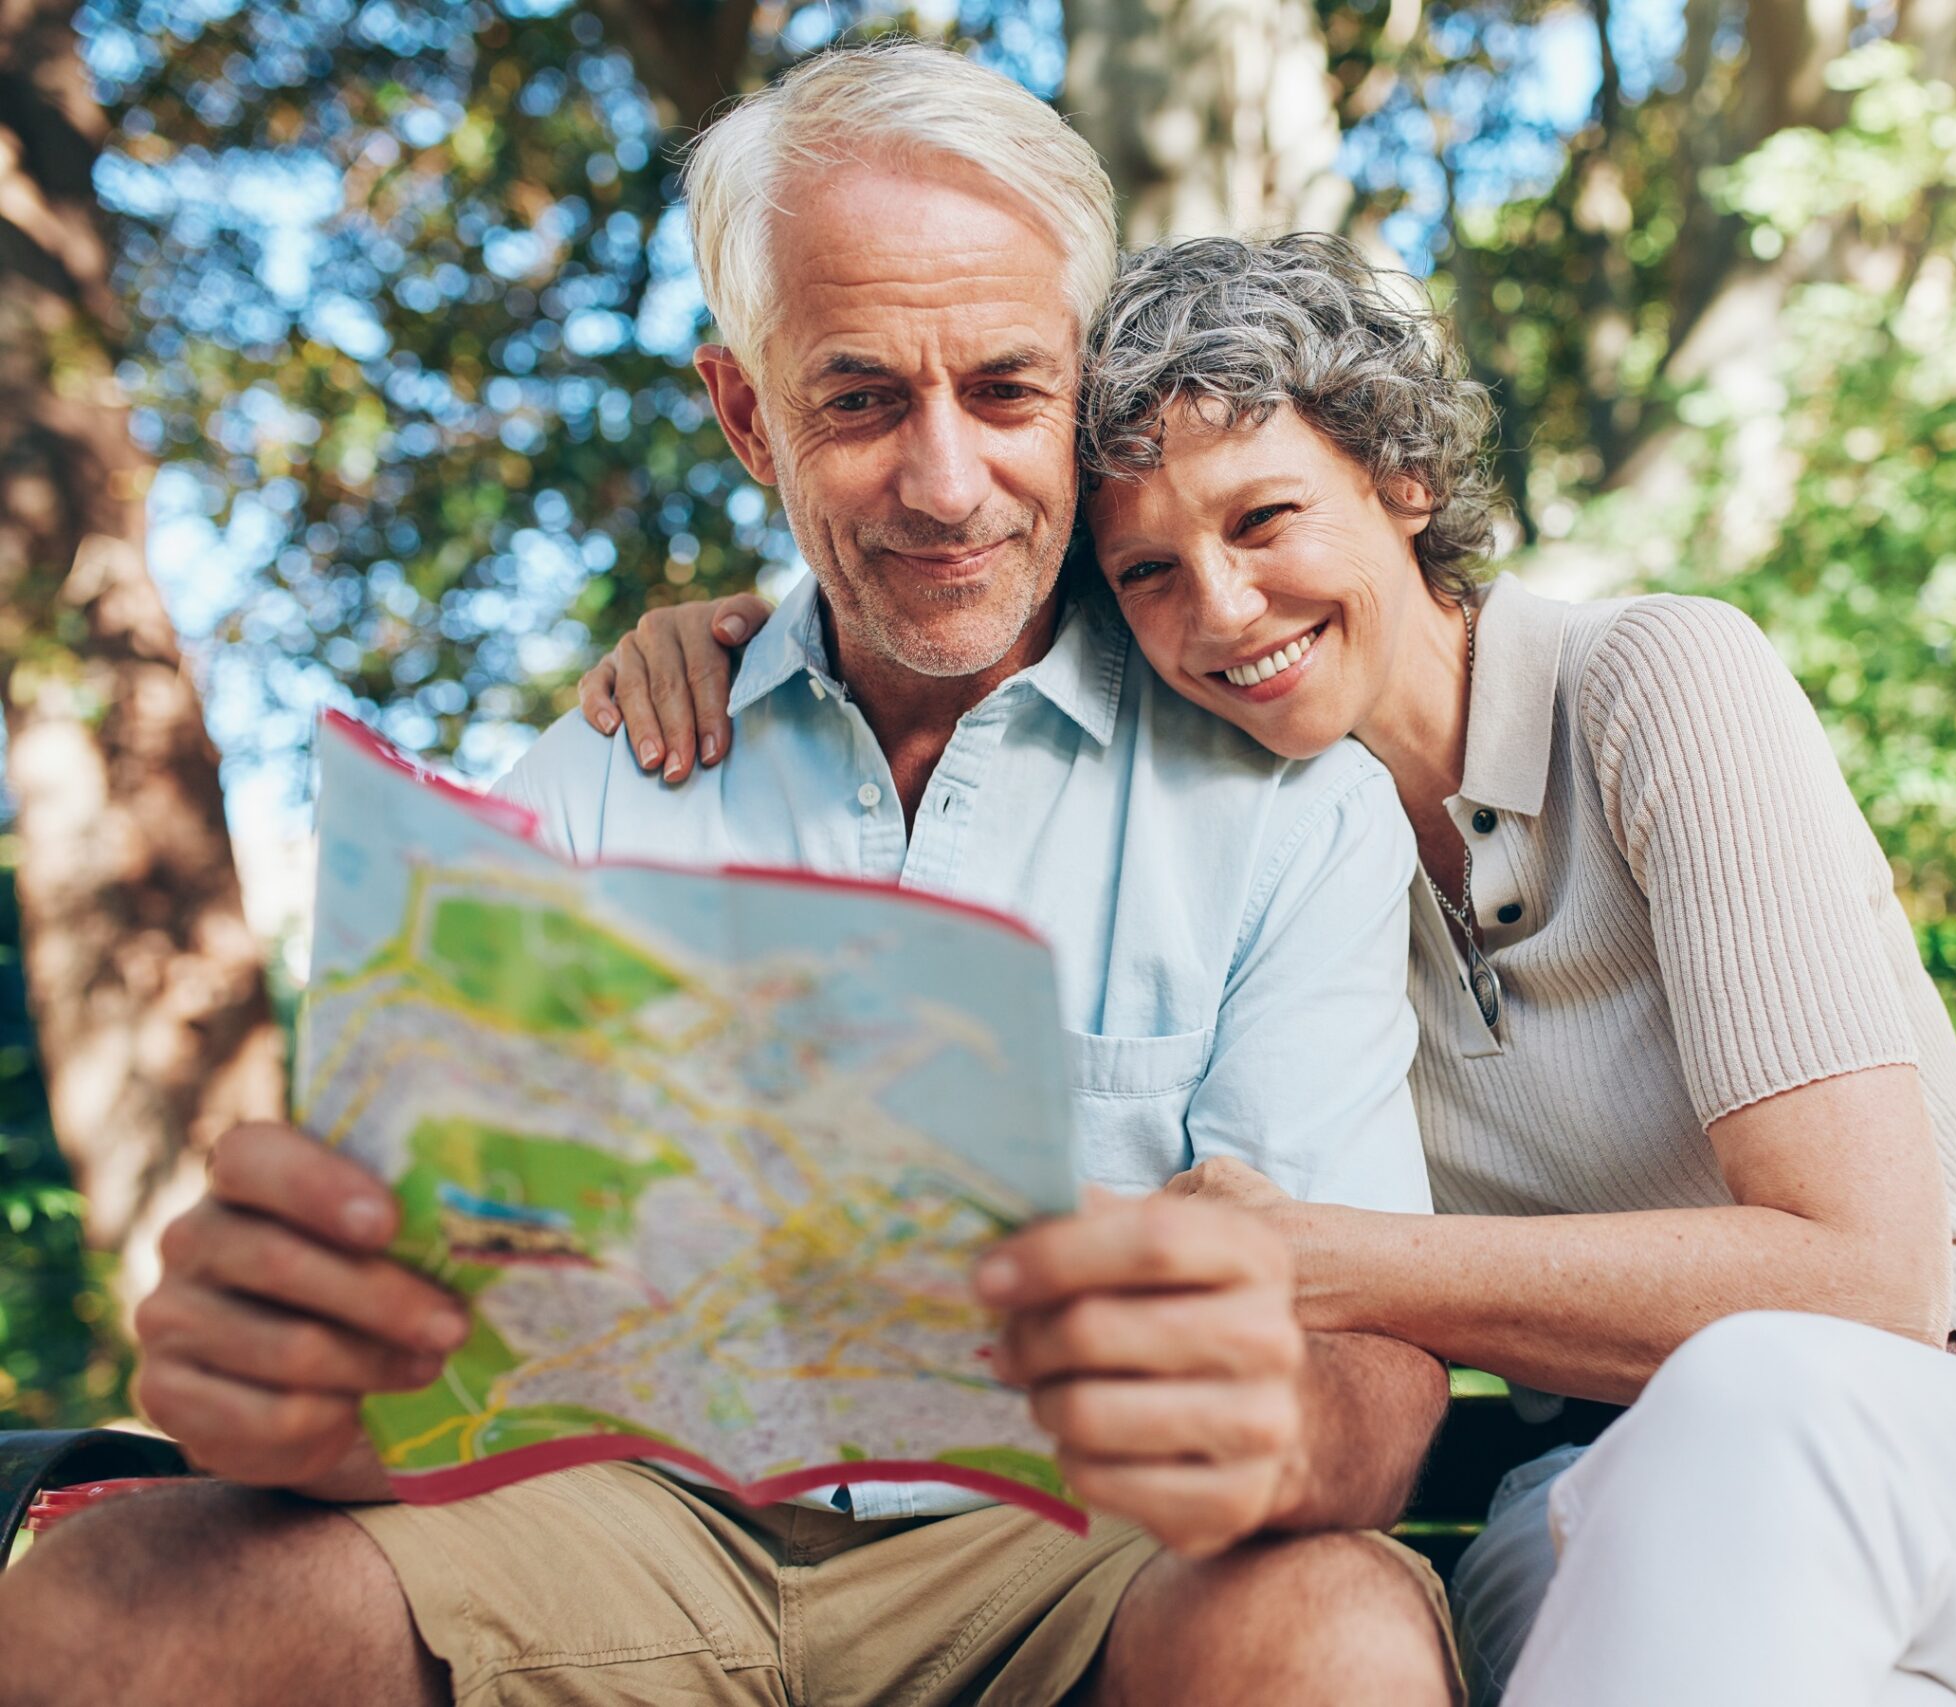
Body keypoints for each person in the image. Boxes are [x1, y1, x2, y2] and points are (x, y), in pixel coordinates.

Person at [598, 234, 1956, 1706]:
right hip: (1630, 1525)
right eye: (1148, 573)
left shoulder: (1651, 683)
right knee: (1503, 1577)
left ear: (1402, 481)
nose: (1224, 604)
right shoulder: (1251, 851)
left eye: (1268, 516)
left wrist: (1322, 1260)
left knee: (1757, 1401)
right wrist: (729, 634)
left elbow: (1856, 1281)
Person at [0, 47, 1465, 1707]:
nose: (943, 480)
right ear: (748, 414)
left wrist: (1225, 1392)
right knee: (115, 1601)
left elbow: (1365, 1388)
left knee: (1325, 1626)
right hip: (622, 1529)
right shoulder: (598, 785)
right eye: (858, 401)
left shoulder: (1286, 804)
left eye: (1002, 389)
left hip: (1081, 1545)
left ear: (1082, 387)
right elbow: (391, 1357)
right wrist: (293, 1374)